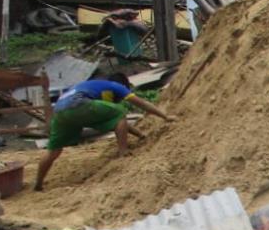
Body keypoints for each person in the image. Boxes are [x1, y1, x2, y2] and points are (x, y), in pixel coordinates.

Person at [34, 74, 175, 191]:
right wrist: (165, 116)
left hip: (59, 111)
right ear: (124, 86)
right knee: (120, 111)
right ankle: (123, 152)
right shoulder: (117, 86)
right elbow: (140, 104)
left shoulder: (94, 88)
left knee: (53, 152)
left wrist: (140, 135)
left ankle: (38, 184)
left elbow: (117, 122)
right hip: (78, 104)